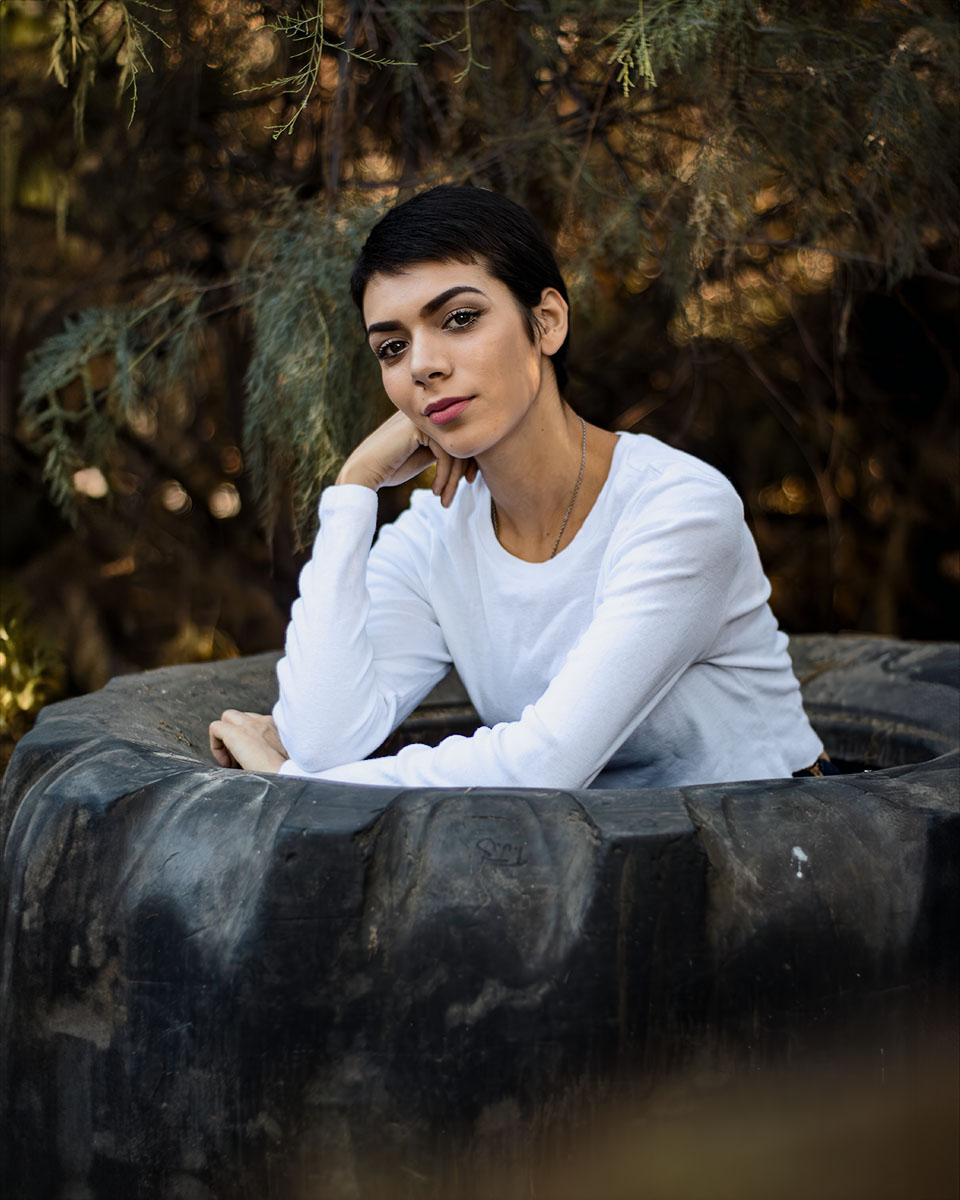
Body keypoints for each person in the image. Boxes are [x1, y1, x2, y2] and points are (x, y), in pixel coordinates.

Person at [209, 185, 826, 788]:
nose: (422, 365)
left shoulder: (680, 510)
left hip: (772, 830)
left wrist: (298, 783)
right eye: (392, 348)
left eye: (459, 319)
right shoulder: (434, 534)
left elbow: (545, 764)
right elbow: (321, 740)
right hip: (585, 842)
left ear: (547, 322)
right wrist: (354, 487)